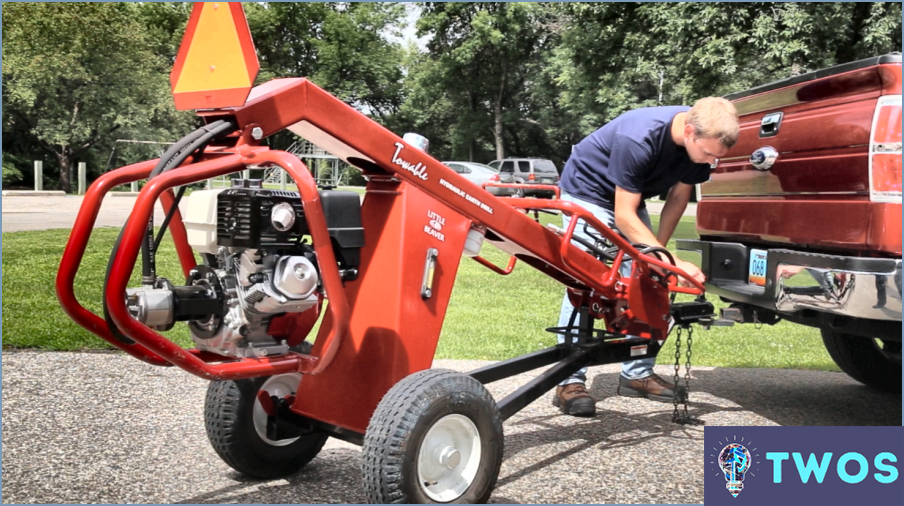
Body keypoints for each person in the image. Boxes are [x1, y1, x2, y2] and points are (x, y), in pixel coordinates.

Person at [552, 97, 740, 416]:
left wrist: (656, 260)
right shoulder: (639, 138)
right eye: (708, 154)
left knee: (652, 281)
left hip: (630, 196)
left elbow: (678, 198)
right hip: (589, 191)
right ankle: (569, 382)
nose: (710, 163)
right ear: (690, 131)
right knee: (588, 282)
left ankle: (637, 374)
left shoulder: (700, 147)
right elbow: (624, 215)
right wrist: (671, 261)